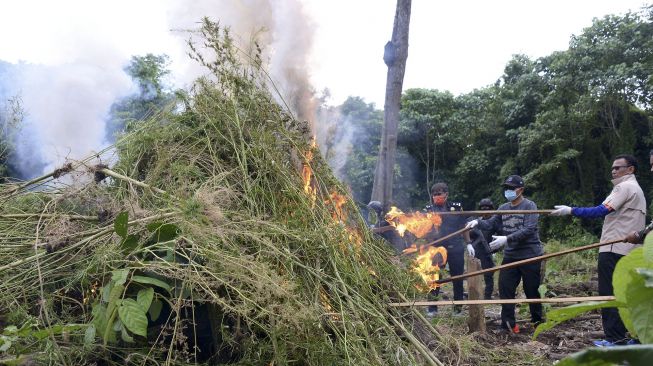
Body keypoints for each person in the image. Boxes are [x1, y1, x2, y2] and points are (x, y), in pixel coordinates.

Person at [551, 154, 645, 347]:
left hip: (613, 249)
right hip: (629, 251)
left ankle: (615, 339)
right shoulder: (637, 189)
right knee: (624, 294)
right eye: (612, 168)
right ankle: (625, 337)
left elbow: (601, 211)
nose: (614, 171)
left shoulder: (624, 187)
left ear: (630, 169)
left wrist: (571, 211)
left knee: (609, 294)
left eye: (618, 167)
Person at [467, 175, 544, 333]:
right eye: (506, 188)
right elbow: (490, 224)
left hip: (530, 254)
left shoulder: (530, 206)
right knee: (505, 288)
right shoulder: (503, 208)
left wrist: (506, 238)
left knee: (532, 290)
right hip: (511, 255)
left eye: (511, 188)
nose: (508, 191)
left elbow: (529, 230)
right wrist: (478, 222)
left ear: (520, 190)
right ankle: (508, 325)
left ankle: (538, 322)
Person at [424, 182, 474, 316]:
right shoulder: (429, 210)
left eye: (439, 194)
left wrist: (468, 243)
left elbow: (464, 226)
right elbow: (424, 230)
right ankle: (432, 309)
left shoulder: (456, 208)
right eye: (434, 195)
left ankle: (457, 309)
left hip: (455, 248)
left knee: (457, 278)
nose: (436, 197)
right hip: (437, 249)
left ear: (446, 194)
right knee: (434, 277)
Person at [468, 198, 497, 299]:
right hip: (476, 250)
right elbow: (467, 233)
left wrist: (496, 250)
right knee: (473, 275)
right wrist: (469, 244)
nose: (485, 210)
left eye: (487, 208)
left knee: (488, 275)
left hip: (488, 251)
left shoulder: (494, 221)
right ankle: (474, 295)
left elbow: (499, 235)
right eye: (483, 208)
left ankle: (487, 296)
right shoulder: (475, 221)